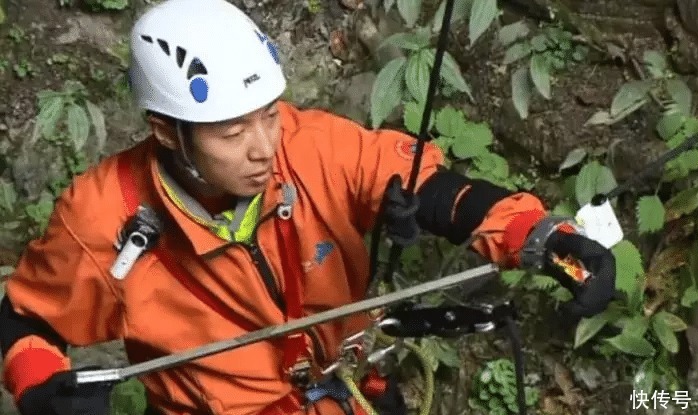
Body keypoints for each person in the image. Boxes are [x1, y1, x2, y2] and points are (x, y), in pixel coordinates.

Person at [0, 0, 616, 414]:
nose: (265, 148)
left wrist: (540, 235)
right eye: (232, 131)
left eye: (268, 115)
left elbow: (426, 188)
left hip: (351, 390)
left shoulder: (307, 145)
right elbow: (22, 321)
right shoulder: (105, 217)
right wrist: (41, 383)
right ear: (167, 131)